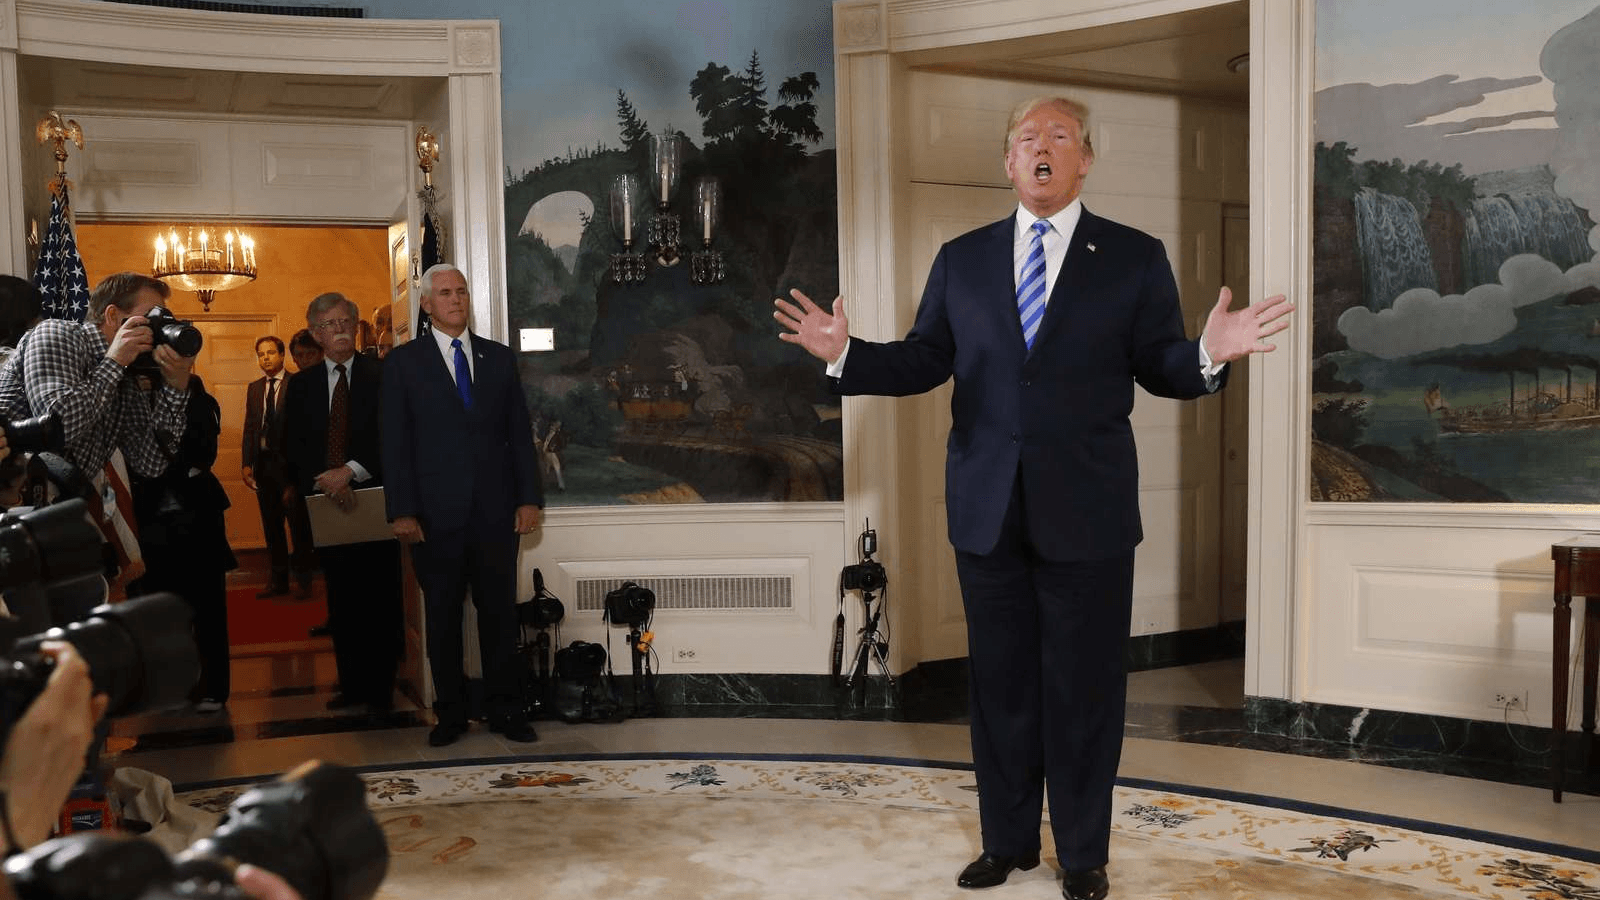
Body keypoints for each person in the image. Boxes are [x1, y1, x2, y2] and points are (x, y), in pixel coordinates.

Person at [773, 96, 1293, 900]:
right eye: (1026, 138)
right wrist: (847, 356)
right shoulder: (962, 258)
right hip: (986, 508)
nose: (1041, 148)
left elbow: (1161, 363)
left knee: (1084, 691)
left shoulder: (1132, 256)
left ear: (1085, 159)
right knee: (1002, 687)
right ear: (1008, 163)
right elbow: (923, 360)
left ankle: (1083, 854)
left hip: (1089, 511)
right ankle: (1007, 842)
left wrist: (1207, 355)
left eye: (1058, 137)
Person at [381, 263, 543, 747]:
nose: (456, 299)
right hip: (434, 518)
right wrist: (402, 510)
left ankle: (506, 711)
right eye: (445, 293)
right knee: (444, 619)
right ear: (426, 305)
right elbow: (395, 442)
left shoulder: (497, 358)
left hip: (496, 515)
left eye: (462, 291)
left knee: (499, 616)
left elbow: (519, 434)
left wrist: (529, 498)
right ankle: (449, 714)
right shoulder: (403, 364)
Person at [281, 293, 402, 714]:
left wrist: (351, 471)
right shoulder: (300, 385)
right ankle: (351, 685)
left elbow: (394, 438)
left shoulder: (382, 375)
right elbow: (292, 446)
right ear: (315, 333)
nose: (340, 331)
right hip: (326, 506)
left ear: (356, 325)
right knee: (342, 600)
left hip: (374, 499)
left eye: (346, 321)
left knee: (381, 598)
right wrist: (327, 481)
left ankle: (381, 689)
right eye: (329, 325)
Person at [0, 272, 192, 480]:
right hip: (11, 498)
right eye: (152, 317)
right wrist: (115, 362)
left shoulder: (126, 372)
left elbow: (149, 463)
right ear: (112, 316)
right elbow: (58, 427)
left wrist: (176, 387)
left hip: (54, 501)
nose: (158, 330)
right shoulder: (56, 333)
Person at [127, 373, 237, 713]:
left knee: (208, 610)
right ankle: (170, 687)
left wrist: (165, 468)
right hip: (152, 523)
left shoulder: (199, 397)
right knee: (160, 612)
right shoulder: (131, 398)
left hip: (197, 520)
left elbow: (201, 455)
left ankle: (215, 689)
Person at [242, 336, 313, 599]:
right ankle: (278, 581)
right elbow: (250, 427)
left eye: (271, 352)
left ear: (282, 355)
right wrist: (246, 463)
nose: (266, 358)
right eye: (261, 354)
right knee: (272, 528)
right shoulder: (254, 388)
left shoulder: (298, 384)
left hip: (291, 467)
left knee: (299, 527)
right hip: (263, 465)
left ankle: (304, 581)